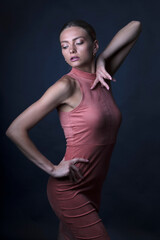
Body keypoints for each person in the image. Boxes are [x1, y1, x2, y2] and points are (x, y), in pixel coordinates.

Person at [6, 19, 142, 240]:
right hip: (69, 190)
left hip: (93, 187)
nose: (71, 50)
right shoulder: (66, 86)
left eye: (78, 42)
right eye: (64, 45)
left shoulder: (102, 76)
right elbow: (15, 129)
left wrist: (104, 59)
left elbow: (135, 26)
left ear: (94, 46)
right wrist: (51, 169)